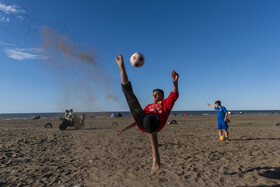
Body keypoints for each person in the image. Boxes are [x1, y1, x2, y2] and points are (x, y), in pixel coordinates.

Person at [115, 54, 179, 175]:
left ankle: (156, 158)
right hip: (144, 123)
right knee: (129, 94)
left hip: (156, 123)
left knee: (148, 119)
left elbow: (174, 94)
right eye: (153, 94)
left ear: (162, 96)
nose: (154, 96)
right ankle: (121, 66)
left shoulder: (166, 103)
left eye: (157, 94)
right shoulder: (148, 107)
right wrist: (124, 129)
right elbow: (136, 120)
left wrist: (175, 82)